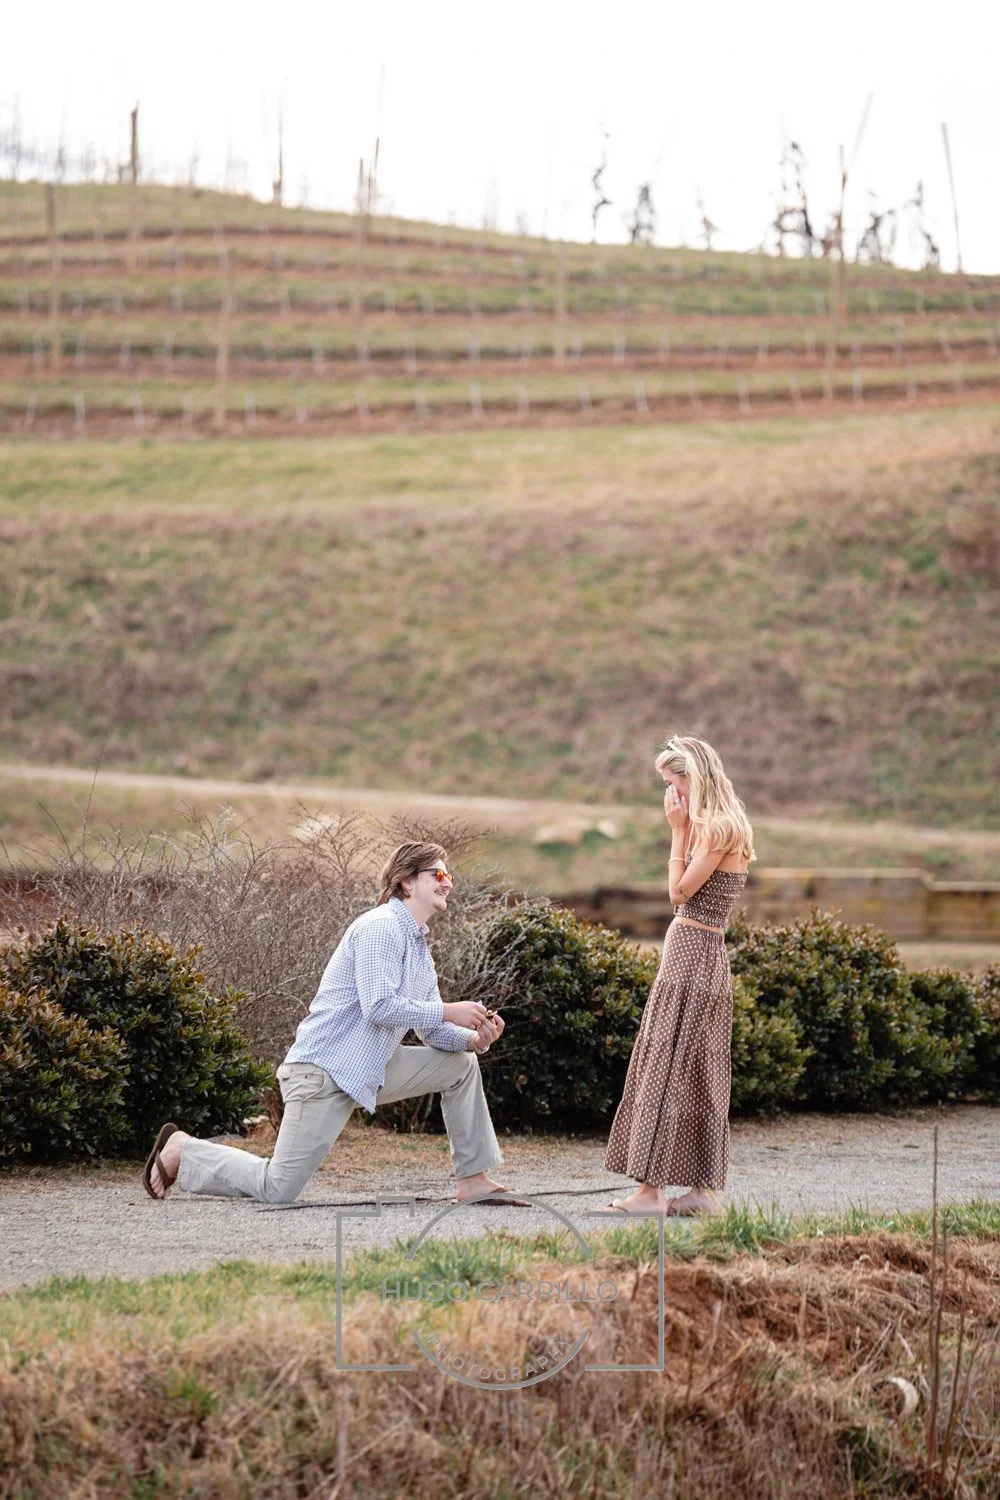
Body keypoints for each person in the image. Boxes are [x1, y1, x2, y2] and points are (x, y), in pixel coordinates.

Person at [143, 841, 526, 1206]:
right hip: (322, 1073)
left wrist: (474, 1039)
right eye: (438, 874)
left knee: (460, 1065)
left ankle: (473, 1181)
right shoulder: (381, 927)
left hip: (369, 1069)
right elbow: (379, 1007)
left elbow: (431, 1031)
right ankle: (183, 1149)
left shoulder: (417, 947)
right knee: (277, 1188)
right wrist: (448, 1009)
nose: (448, 882)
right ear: (406, 881)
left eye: (450, 876)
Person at [601, 735, 753, 1216]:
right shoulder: (736, 824)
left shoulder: (715, 829)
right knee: (696, 1066)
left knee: (665, 1064)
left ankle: (649, 1193)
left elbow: (679, 893)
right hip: (707, 953)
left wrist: (677, 832)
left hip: (691, 949)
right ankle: (700, 1192)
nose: (673, 796)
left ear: (693, 778)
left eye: (674, 784)